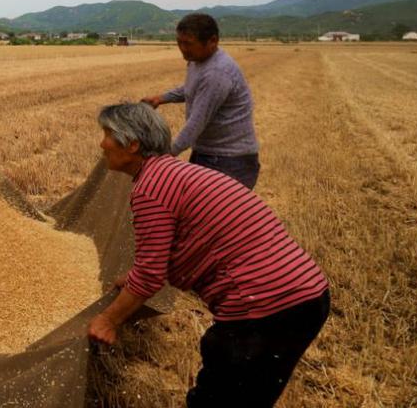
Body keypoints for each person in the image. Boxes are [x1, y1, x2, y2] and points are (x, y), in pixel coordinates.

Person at [88, 103, 330, 408]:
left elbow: (150, 275)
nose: (102, 143)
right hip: (305, 295)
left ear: (133, 144)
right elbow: (157, 260)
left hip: (265, 308)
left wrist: (108, 320)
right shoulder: (176, 172)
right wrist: (135, 278)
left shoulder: (150, 189)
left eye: (107, 134)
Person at [142, 12, 260, 188]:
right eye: (179, 42)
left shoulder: (217, 73)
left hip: (229, 160)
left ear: (213, 41)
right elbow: (191, 89)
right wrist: (161, 98)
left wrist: (165, 157)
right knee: (197, 212)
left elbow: (196, 123)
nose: (182, 48)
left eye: (188, 43)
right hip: (207, 153)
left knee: (216, 214)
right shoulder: (197, 60)